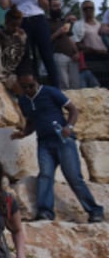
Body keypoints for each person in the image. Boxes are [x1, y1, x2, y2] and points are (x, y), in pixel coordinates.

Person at [13, 71, 103, 223]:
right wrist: (23, 134)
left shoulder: (50, 92)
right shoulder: (23, 101)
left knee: (74, 177)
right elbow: (31, 122)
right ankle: (45, 212)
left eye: (30, 85)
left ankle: (94, 211)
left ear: (37, 81)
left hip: (62, 140)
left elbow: (73, 110)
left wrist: (69, 127)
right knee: (45, 176)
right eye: (24, 87)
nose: (28, 89)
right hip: (43, 142)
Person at [0, 0, 58, 86]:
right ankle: (35, 86)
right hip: (23, 22)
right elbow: (4, 6)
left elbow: (45, 5)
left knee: (46, 53)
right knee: (29, 56)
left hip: (38, 19)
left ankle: (56, 86)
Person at [46, 0, 82, 90]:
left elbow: (70, 38)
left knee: (76, 84)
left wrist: (76, 51)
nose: (58, 8)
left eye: (59, 6)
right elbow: (45, 41)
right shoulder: (45, 23)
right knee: (64, 84)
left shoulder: (63, 21)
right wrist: (58, 33)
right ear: (48, 7)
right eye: (55, 6)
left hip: (71, 55)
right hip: (58, 54)